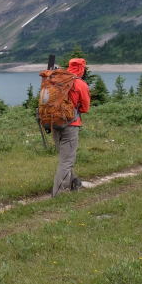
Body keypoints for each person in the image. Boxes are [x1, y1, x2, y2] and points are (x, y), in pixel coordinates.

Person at [51, 58, 91, 196]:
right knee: (67, 160)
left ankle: (75, 182)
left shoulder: (56, 80)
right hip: (71, 124)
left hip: (54, 123)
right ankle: (59, 193)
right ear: (82, 69)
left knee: (65, 158)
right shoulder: (80, 84)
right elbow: (85, 108)